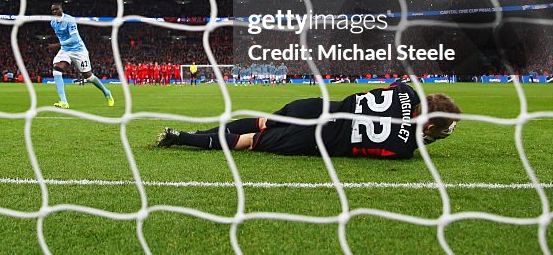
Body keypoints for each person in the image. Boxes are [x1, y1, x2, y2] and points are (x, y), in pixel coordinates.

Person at [156, 82, 458, 160]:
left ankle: (194, 133)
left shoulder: (404, 91)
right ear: (430, 127)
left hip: (317, 107)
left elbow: (400, 90)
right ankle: (181, 137)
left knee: (259, 122)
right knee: (248, 143)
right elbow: (407, 137)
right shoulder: (405, 148)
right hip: (320, 138)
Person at [48, 3, 113, 109]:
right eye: (53, 10)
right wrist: (61, 46)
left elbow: (74, 39)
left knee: (88, 76)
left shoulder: (70, 20)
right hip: (65, 50)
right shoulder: (53, 23)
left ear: (61, 9)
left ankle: (107, 93)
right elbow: (62, 38)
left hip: (79, 51)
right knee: (56, 70)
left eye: (57, 9)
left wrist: (58, 45)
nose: (55, 12)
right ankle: (64, 102)